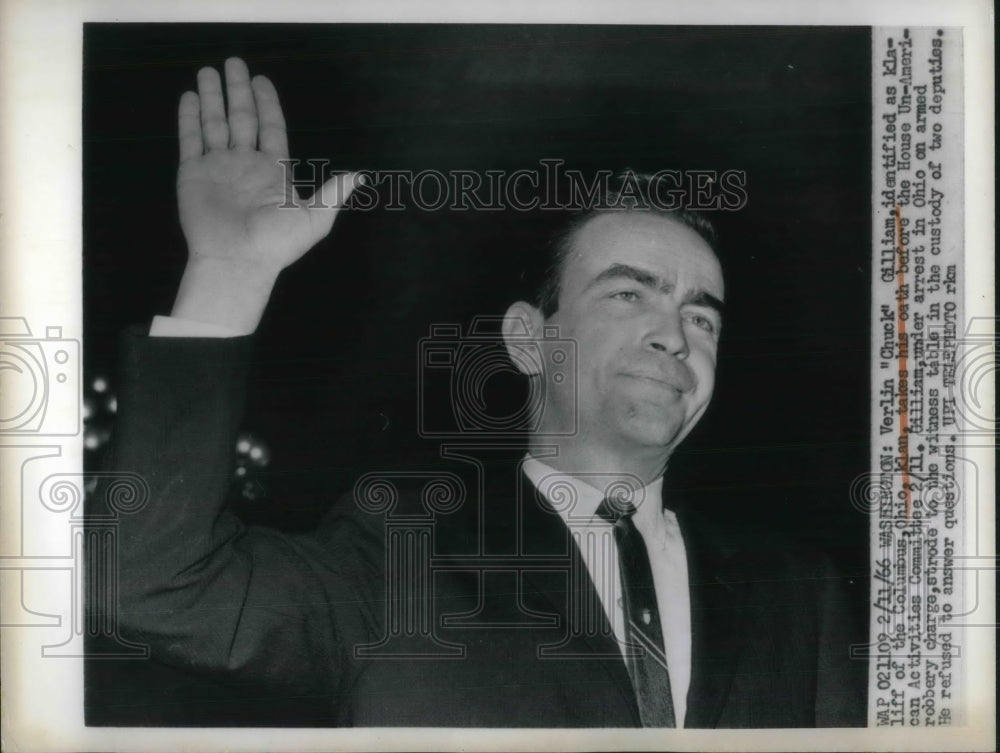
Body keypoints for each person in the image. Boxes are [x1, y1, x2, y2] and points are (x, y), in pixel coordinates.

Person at [99, 57, 866, 727]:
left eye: (701, 315)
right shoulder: (399, 552)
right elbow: (152, 583)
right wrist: (228, 273)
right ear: (528, 338)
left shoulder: (801, 591)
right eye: (629, 295)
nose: (676, 333)